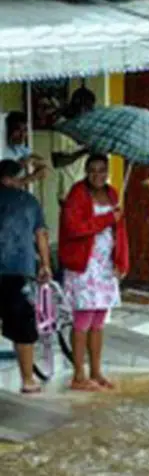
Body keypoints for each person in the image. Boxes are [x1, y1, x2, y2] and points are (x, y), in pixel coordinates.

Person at [58, 154, 128, 391]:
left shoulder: (113, 193)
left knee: (99, 321)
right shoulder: (77, 194)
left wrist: (122, 261)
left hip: (105, 265)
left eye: (102, 170)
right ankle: (79, 375)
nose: (98, 175)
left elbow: (120, 230)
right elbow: (74, 228)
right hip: (83, 265)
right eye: (93, 170)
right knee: (82, 320)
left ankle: (96, 372)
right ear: (86, 172)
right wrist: (107, 218)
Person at [0, 159, 52, 394]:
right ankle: (28, 380)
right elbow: (41, 234)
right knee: (22, 327)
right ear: (15, 178)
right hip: (19, 271)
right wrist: (45, 265)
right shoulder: (29, 202)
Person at [0, 111, 49, 185]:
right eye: (18, 130)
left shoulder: (21, 150)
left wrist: (19, 182)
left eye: (24, 130)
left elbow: (44, 170)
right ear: (8, 128)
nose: (22, 135)